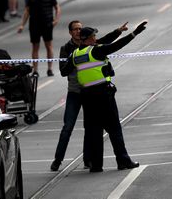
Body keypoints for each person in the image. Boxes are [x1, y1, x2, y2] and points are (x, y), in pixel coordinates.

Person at [61, 22, 148, 172]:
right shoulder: (96, 51)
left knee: (93, 131)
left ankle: (96, 165)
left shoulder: (75, 55)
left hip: (87, 97)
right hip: (103, 95)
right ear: (87, 39)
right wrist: (135, 33)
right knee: (114, 128)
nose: (95, 39)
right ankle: (123, 161)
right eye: (93, 36)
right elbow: (117, 45)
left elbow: (64, 71)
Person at [50, 20, 129, 171]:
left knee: (91, 128)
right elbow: (63, 70)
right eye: (75, 29)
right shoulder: (67, 49)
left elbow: (107, 41)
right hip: (75, 91)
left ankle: (89, 160)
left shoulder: (91, 45)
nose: (78, 31)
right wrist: (75, 62)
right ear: (70, 32)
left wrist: (119, 31)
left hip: (88, 92)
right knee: (68, 126)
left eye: (80, 29)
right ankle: (57, 160)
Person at [18, 0, 61, 77]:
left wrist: (56, 20)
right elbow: (27, 11)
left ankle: (50, 69)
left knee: (49, 46)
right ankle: (35, 70)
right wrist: (22, 25)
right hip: (34, 25)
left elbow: (57, 7)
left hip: (47, 24)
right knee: (35, 47)